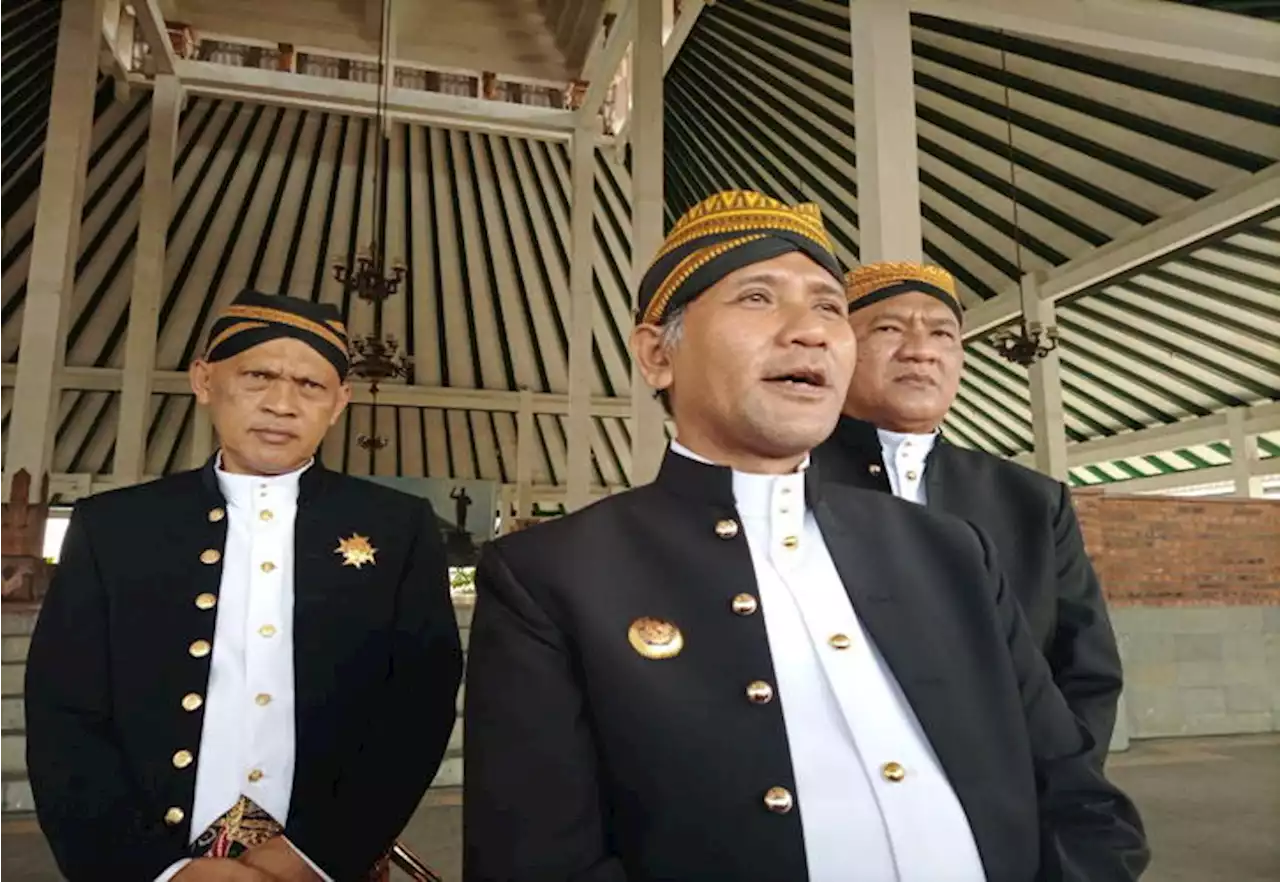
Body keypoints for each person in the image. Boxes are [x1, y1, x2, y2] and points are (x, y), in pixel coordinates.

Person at [461, 190, 1149, 882]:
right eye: (758, 298)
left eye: (827, 306)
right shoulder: (554, 577)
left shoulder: (952, 552)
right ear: (656, 354)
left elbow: (1082, 802)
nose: (811, 331)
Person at [25, 290, 463, 882]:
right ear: (204, 380)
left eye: (310, 386)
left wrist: (318, 854)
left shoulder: (397, 527)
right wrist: (154, 871)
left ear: (340, 403)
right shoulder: (116, 526)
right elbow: (66, 715)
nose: (283, 403)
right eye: (258, 375)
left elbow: (418, 704)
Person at [814, 261, 1123, 758]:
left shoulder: (1031, 501)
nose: (920, 351)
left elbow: (1085, 671)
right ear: (839, 348)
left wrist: (1063, 798)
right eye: (889, 329)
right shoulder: (782, 483)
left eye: (942, 334)